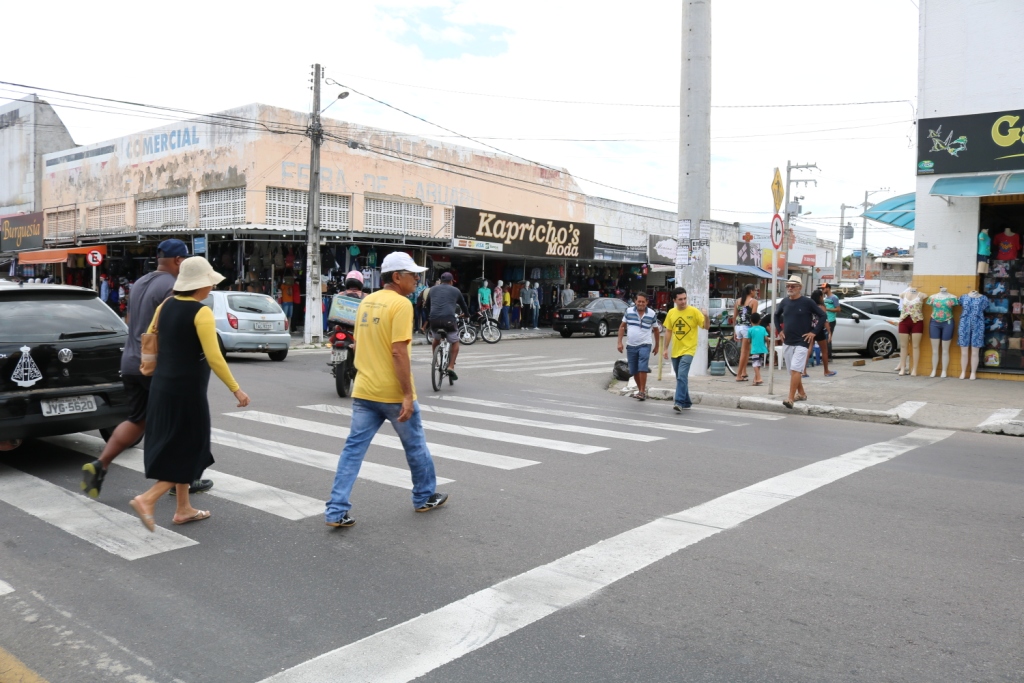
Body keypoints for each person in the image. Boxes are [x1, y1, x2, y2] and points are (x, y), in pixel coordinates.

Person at [81, 240, 215, 499]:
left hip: (131, 362)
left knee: (137, 419)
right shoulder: (173, 287)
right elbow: (174, 329)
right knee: (180, 424)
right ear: (178, 261)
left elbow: (133, 321)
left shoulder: (140, 283)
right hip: (158, 367)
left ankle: (101, 464)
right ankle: (182, 479)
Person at [324, 252, 448, 527]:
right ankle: (424, 496)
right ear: (396, 277)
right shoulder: (402, 305)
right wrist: (406, 394)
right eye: (412, 274)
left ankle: (335, 510)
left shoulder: (367, 302)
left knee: (352, 451)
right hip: (392, 393)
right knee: (416, 446)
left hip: (364, 390)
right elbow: (398, 352)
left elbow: (360, 341)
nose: (417, 279)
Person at [128, 257, 251, 531]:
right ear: (201, 284)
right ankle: (148, 499)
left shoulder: (165, 305)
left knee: (179, 445)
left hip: (162, 386)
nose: (211, 287)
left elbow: (149, 335)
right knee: (192, 449)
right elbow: (214, 357)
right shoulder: (201, 312)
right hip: (187, 391)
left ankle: (183, 509)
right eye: (209, 282)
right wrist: (236, 389)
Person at [774, 275, 825, 409]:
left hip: (802, 341)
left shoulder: (807, 302)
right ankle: (801, 394)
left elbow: (823, 315)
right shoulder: (784, 302)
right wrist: (779, 330)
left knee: (796, 369)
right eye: (788, 286)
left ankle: (790, 398)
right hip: (788, 340)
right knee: (793, 371)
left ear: (800, 288)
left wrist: (814, 332)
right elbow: (776, 315)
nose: (790, 288)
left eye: (793, 286)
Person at [662, 287, 708, 412]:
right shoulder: (671, 312)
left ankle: (679, 402)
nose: (683, 301)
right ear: (674, 300)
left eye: (685, 298)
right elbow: (668, 331)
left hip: (689, 349)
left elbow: (706, 326)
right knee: (680, 377)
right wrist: (665, 348)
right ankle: (687, 401)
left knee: (682, 375)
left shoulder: (693, 311)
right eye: (680, 299)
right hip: (676, 350)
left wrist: (706, 316)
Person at [423, 272, 470, 381]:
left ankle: (436, 360)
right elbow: (464, 306)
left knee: (436, 339)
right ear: (451, 281)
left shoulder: (432, 289)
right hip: (449, 320)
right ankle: (451, 367)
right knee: (455, 341)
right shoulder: (456, 291)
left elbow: (427, 305)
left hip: (434, 320)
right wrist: (467, 315)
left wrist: (432, 314)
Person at [617, 292, 660, 401]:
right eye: (639, 301)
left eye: (643, 302)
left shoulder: (651, 313)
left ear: (647, 302)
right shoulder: (629, 311)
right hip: (631, 346)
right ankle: (640, 389)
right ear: (635, 302)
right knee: (634, 370)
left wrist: (657, 346)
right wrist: (619, 342)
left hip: (645, 344)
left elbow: (656, 330)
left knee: (642, 367)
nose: (641, 303)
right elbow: (622, 327)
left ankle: (642, 391)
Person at [732, 284, 759, 382]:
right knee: (745, 351)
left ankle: (743, 372)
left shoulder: (738, 301)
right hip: (747, 327)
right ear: (751, 291)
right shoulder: (754, 301)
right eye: (755, 290)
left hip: (738, 327)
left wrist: (734, 330)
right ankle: (738, 375)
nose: (756, 292)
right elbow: (753, 317)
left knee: (744, 351)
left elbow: (734, 316)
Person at [809, 289, 836, 377]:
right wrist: (829, 332)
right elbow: (825, 320)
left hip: (810, 329)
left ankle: (803, 371)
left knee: (809, 349)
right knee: (824, 351)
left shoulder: (810, 306)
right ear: (820, 297)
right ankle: (826, 371)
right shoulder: (821, 307)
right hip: (819, 330)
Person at [748, 312, 768, 386]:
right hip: (762, 349)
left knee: (755, 364)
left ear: (750, 321)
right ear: (760, 321)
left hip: (755, 349)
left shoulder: (750, 330)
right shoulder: (763, 328)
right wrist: (768, 345)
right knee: (758, 363)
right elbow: (766, 338)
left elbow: (748, 340)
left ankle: (759, 378)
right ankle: (755, 379)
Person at [822, 283, 840, 355]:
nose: (822, 290)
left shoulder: (834, 297)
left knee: (828, 338)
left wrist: (827, 309)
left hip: (831, 320)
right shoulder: (826, 298)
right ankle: (826, 354)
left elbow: (838, 309)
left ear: (828, 288)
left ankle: (828, 356)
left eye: (824, 288)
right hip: (825, 320)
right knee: (824, 338)